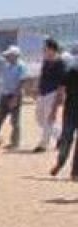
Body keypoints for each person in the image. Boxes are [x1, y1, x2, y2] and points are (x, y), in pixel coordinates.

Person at [0, 46, 27, 149]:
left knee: (15, 121)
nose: (7, 57)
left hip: (14, 95)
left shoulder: (21, 66)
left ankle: (15, 143)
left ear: (15, 56)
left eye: (9, 55)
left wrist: (15, 97)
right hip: (4, 95)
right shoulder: (6, 66)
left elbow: (21, 83)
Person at [35, 38, 66, 153]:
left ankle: (43, 144)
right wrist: (37, 89)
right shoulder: (46, 61)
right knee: (39, 118)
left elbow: (62, 82)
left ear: (52, 49)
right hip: (43, 93)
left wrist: (60, 97)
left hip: (52, 93)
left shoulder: (60, 63)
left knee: (48, 119)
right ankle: (61, 137)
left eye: (45, 48)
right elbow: (42, 77)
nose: (44, 50)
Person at [51, 50, 78, 180]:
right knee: (68, 139)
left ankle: (63, 165)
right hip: (70, 110)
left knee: (66, 138)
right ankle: (73, 170)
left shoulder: (71, 71)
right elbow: (61, 92)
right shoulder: (71, 71)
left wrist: (54, 108)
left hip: (70, 111)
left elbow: (60, 92)